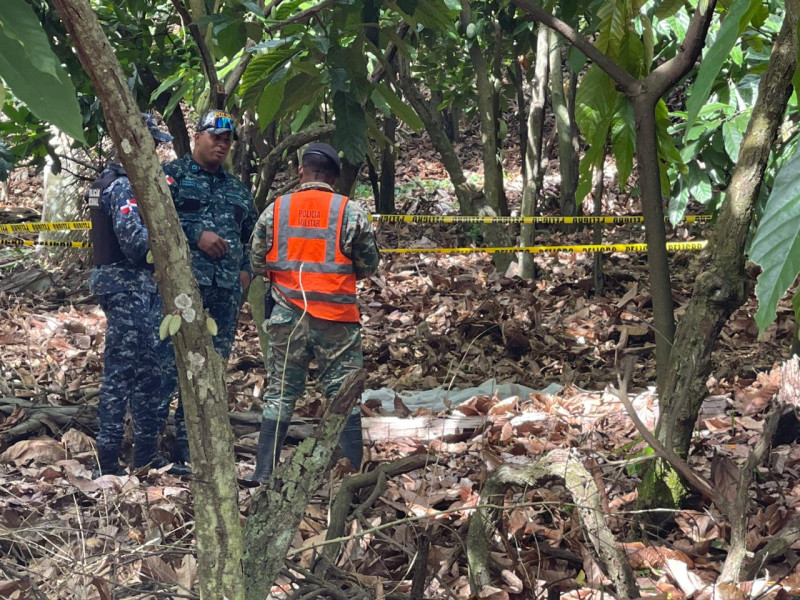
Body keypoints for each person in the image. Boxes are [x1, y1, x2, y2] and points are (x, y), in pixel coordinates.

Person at [249, 142, 380, 482]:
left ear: (300, 172)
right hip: (336, 321)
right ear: (335, 178)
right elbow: (368, 264)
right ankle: (349, 476)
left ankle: (263, 474)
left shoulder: (275, 211)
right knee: (344, 394)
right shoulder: (349, 212)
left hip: (286, 318)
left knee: (279, 392)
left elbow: (257, 261)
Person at [89, 113, 188, 476]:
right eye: (150, 143)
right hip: (126, 286)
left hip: (132, 287)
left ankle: (145, 454)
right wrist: (171, 239)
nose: (156, 151)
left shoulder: (117, 182)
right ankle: (107, 463)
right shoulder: (123, 186)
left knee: (148, 374)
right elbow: (134, 244)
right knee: (123, 371)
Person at [160, 110, 257, 464]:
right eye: (215, 136)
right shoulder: (173, 177)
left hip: (225, 294)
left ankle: (192, 450)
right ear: (197, 136)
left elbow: (253, 238)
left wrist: (246, 273)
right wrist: (195, 234)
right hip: (182, 290)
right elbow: (153, 220)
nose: (221, 144)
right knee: (169, 367)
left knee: (210, 370)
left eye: (227, 140)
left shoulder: (237, 190)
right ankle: (150, 446)